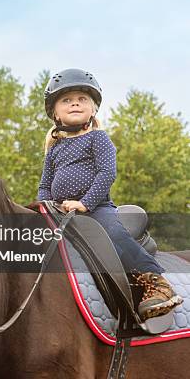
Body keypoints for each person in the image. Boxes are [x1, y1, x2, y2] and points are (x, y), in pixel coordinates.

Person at [37, 68, 183, 321]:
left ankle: (156, 282)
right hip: (60, 213)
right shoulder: (54, 149)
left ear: (93, 109)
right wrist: (41, 208)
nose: (74, 103)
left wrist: (85, 203)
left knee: (113, 234)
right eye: (66, 100)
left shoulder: (98, 138)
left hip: (96, 208)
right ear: (55, 113)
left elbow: (106, 173)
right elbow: (44, 185)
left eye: (82, 99)